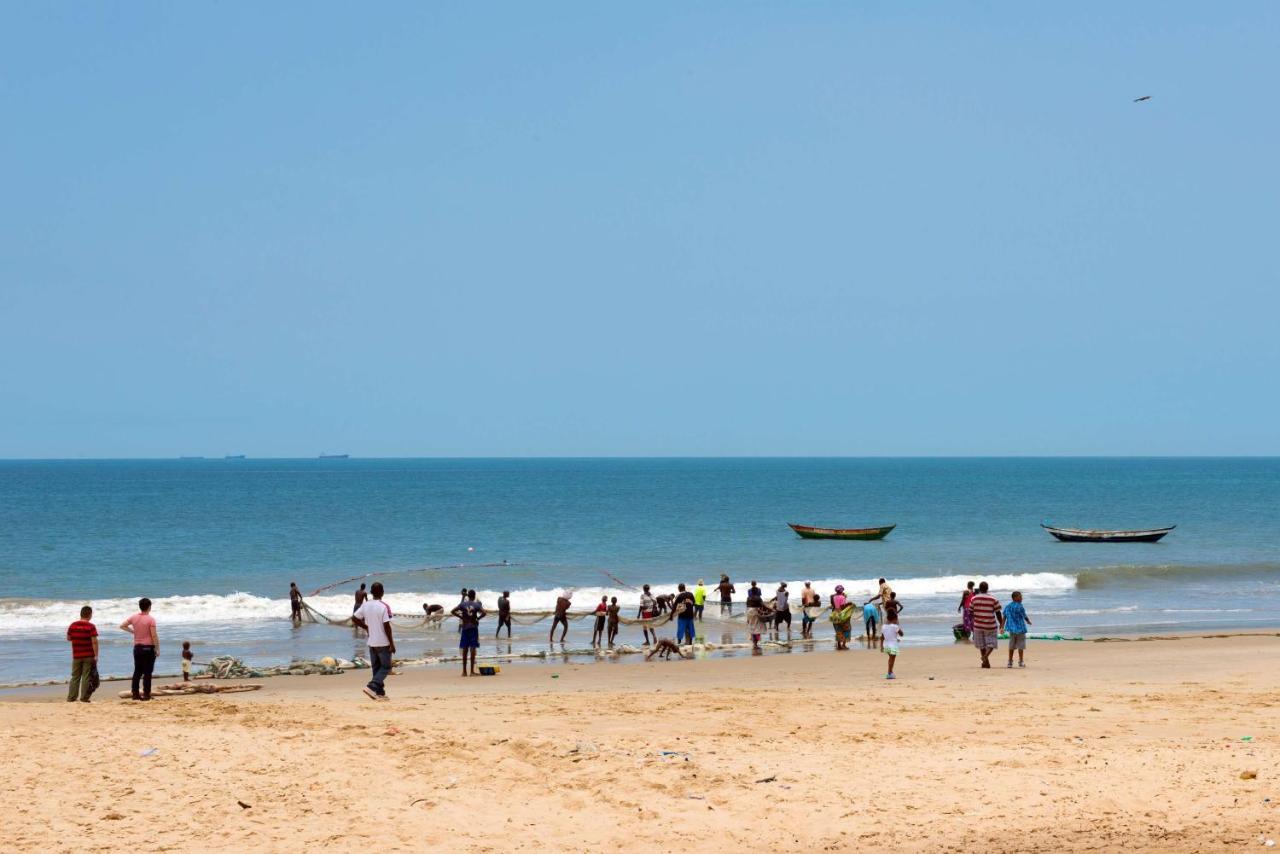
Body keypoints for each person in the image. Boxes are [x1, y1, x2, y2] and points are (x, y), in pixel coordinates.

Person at [351, 581, 395, 700]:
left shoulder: (366, 605)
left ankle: (380, 693)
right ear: (382, 593)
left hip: (371, 642)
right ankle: (372, 686)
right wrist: (392, 643)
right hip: (383, 642)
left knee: (376, 668)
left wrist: (366, 627)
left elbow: (354, 618)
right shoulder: (384, 606)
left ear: (370, 593)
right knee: (386, 667)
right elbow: (387, 626)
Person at [120, 597, 158, 701]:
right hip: (148, 648)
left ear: (140, 607)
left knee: (137, 671)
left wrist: (133, 631)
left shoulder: (134, 617)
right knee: (147, 672)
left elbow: (122, 626)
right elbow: (154, 635)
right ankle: (146, 694)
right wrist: (157, 648)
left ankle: (135, 694)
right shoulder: (151, 619)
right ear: (149, 607)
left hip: (137, 648)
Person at [66, 605, 98, 703]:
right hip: (88, 655)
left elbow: (68, 638)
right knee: (86, 676)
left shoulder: (73, 625)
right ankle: (84, 698)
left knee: (75, 676)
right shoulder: (91, 626)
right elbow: (94, 642)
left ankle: (71, 697)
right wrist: (96, 655)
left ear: (81, 614)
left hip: (76, 655)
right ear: (90, 615)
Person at [968, 581, 1003, 669]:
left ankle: (985, 663)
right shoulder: (993, 599)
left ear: (979, 589)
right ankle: (985, 658)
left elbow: (970, 612)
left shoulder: (974, 599)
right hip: (990, 625)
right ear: (987, 589)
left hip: (978, 625)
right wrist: (1001, 624)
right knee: (992, 643)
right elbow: (998, 613)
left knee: (981, 645)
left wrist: (974, 621)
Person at [451, 589, 486, 676]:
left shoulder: (463, 604)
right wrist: (478, 618)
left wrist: (461, 617)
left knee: (465, 649)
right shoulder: (476, 604)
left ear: (468, 596)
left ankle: (464, 672)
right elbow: (484, 612)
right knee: (473, 649)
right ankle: (472, 672)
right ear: (474, 596)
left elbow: (452, 611)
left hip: (465, 628)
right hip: (473, 628)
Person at [1004, 591, 1031, 668]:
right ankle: (1021, 661)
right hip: (1020, 629)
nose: (1021, 598)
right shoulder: (1020, 606)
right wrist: (1028, 621)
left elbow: (1004, 616)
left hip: (1012, 629)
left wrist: (1002, 626)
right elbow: (1024, 615)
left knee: (1011, 646)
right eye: (1020, 596)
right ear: (1015, 598)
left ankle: (1010, 662)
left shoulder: (1008, 606)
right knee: (1021, 646)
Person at [829, 585, 853, 650]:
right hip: (842, 615)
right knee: (847, 629)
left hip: (835, 614)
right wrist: (849, 604)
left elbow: (834, 605)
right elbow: (842, 606)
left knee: (838, 630)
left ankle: (839, 645)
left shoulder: (833, 597)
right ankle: (844, 645)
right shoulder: (842, 597)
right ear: (841, 590)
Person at [880, 612, 903, 680]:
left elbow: (882, 637)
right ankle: (889, 673)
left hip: (886, 645)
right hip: (893, 645)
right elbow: (901, 634)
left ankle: (890, 672)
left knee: (890, 658)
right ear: (895, 619)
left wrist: (881, 646)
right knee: (892, 659)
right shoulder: (895, 626)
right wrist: (898, 626)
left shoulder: (883, 626)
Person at [745, 581, 766, 651]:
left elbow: (747, 606)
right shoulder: (758, 598)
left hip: (749, 612)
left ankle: (754, 643)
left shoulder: (748, 598)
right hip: (756, 612)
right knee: (758, 627)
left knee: (752, 627)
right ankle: (755, 644)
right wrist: (771, 609)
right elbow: (763, 605)